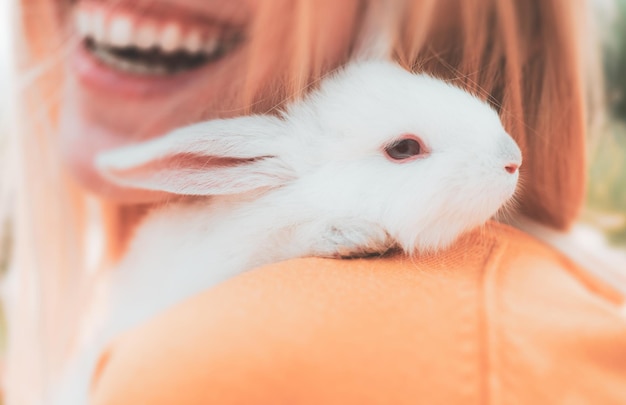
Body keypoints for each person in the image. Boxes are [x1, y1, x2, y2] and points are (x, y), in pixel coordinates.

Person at [3, 0, 625, 403]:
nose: (512, 156)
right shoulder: (537, 307)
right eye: (404, 149)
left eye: (403, 147)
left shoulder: (224, 363)